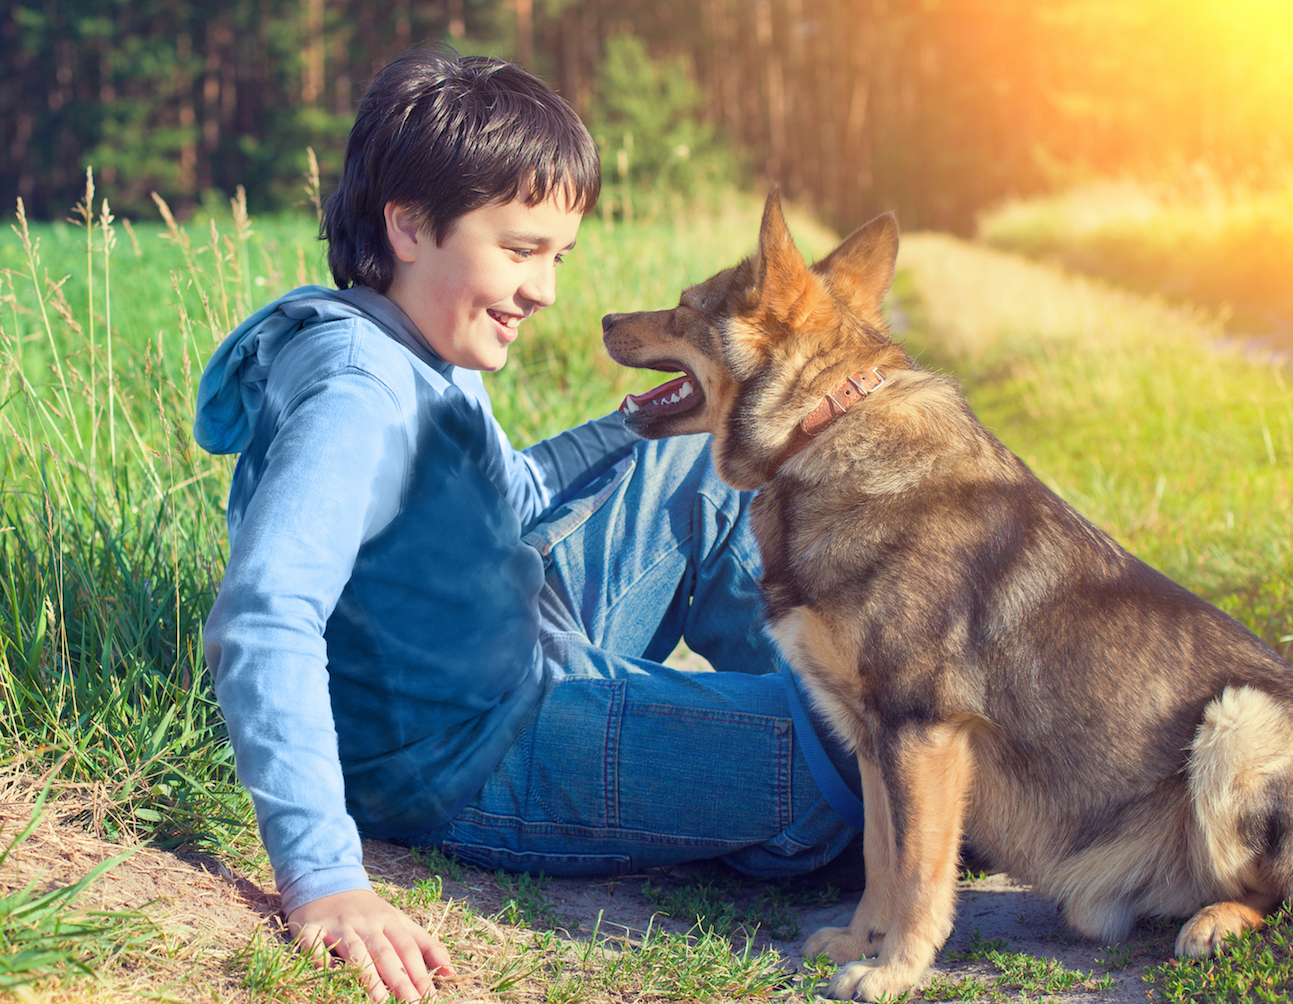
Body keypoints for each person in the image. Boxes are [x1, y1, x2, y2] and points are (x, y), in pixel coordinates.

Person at [194, 47, 861, 1003]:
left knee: (691, 464)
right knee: (840, 762)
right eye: (519, 250)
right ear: (411, 225)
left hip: (506, 632)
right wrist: (327, 878)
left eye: (558, 255)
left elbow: (502, 494)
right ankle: (848, 783)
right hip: (466, 749)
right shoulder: (354, 394)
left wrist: (640, 420)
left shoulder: (424, 337)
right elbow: (263, 620)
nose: (545, 289)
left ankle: (814, 699)